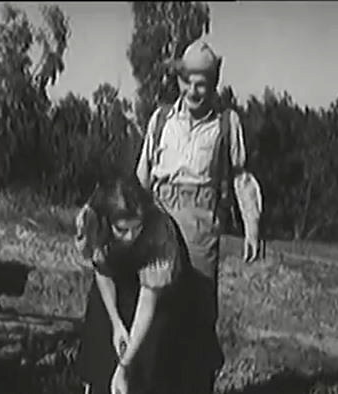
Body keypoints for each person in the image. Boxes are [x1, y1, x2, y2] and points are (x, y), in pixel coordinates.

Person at [135, 39, 262, 391]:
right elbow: (141, 179)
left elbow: (241, 177)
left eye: (202, 82)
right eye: (187, 80)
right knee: (154, 311)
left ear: (214, 83)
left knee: (198, 316)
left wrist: (251, 226)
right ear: (178, 81)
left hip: (201, 229)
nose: (193, 89)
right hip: (160, 222)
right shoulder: (161, 120)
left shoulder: (226, 123)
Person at [74, 174, 224, 394]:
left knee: (151, 355)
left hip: (161, 293)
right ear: (105, 223)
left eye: (137, 228)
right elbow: (102, 271)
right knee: (100, 337)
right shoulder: (91, 222)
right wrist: (116, 323)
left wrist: (125, 366)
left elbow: (148, 303)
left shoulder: (159, 231)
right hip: (119, 280)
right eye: (122, 230)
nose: (131, 236)